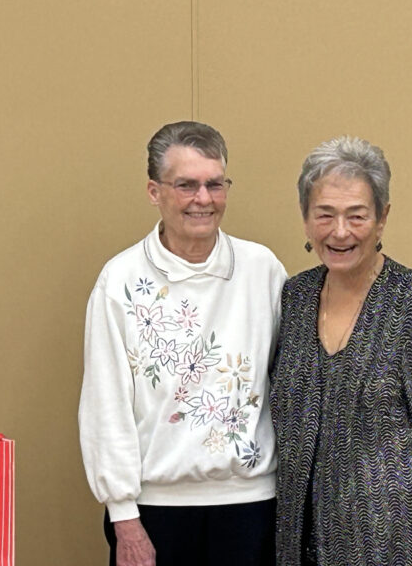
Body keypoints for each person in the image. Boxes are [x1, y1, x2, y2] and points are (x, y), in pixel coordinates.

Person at [79, 121, 286, 566]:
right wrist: (124, 516)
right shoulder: (119, 280)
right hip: (154, 511)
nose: (203, 199)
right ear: (154, 191)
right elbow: (105, 406)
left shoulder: (262, 269)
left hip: (252, 505)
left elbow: (292, 383)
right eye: (186, 185)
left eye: (215, 184)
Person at [271, 136, 412, 566]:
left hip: (391, 544)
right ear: (306, 219)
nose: (339, 231)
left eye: (356, 215)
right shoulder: (296, 297)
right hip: (298, 539)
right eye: (324, 214)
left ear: (382, 219)